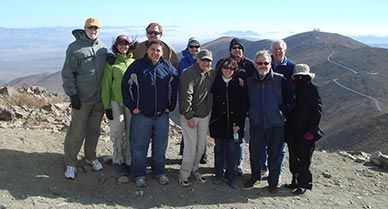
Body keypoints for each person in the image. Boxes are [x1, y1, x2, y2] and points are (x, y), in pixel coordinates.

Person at [121, 40, 179, 187]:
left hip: (161, 115)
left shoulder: (168, 67)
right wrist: (132, 106)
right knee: (139, 147)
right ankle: (139, 174)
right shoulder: (137, 66)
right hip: (141, 114)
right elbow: (125, 85)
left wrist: (170, 106)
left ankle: (159, 172)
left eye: (158, 50)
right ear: (147, 50)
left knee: (160, 147)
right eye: (153, 49)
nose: (155, 52)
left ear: (162, 52)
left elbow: (174, 85)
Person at [61, 17, 107, 179]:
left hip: (98, 99)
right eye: (90, 28)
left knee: (94, 131)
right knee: (77, 132)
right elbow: (67, 73)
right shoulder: (74, 48)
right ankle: (70, 163)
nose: (93, 30)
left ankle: (90, 157)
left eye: (96, 28)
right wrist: (72, 94)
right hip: (82, 98)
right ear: (85, 29)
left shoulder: (102, 48)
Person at [244, 49, 294, 193]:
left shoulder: (280, 79)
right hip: (257, 124)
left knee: (275, 155)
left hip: (276, 124)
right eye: (259, 63)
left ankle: (273, 183)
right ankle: (255, 177)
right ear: (255, 65)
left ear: (270, 64)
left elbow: (290, 100)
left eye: (266, 63)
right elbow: (245, 101)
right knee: (255, 152)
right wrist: (249, 113)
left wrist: (281, 111)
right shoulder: (250, 82)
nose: (262, 65)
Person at [216, 38, 255, 175]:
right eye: (234, 48)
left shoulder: (250, 65)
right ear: (230, 50)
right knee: (225, 137)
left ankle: (237, 164)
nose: (237, 50)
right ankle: (226, 164)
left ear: (242, 50)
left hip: (241, 109)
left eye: (239, 48)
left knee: (237, 137)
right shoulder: (223, 63)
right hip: (223, 110)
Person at [209, 57, 249, 189]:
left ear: (234, 70)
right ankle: (218, 175)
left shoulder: (239, 83)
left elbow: (244, 105)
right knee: (219, 150)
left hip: (234, 125)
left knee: (232, 151)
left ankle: (230, 176)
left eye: (231, 68)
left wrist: (240, 122)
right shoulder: (215, 83)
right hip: (218, 123)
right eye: (225, 67)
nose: (228, 70)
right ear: (221, 69)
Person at [179, 49, 216, 187]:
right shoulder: (188, 73)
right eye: (203, 60)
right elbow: (185, 95)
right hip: (190, 115)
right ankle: (184, 174)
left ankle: (194, 168)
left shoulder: (211, 73)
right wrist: (189, 116)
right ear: (198, 60)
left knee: (201, 146)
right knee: (190, 146)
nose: (206, 62)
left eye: (208, 60)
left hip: (204, 115)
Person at [101, 35, 136, 178]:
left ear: (130, 45)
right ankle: (118, 160)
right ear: (116, 46)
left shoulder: (134, 62)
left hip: (130, 103)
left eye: (126, 43)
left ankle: (129, 161)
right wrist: (107, 106)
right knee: (117, 132)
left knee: (129, 132)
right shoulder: (111, 63)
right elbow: (106, 85)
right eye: (120, 44)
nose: (123, 46)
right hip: (115, 102)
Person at [285, 64, 322, 195]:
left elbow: (317, 111)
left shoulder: (313, 89)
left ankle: (304, 184)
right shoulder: (292, 88)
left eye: (303, 76)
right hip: (292, 130)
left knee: (305, 159)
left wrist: (311, 130)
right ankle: (295, 180)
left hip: (307, 132)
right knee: (294, 157)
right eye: (298, 76)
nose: (301, 78)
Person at [269, 39, 297, 181]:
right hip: (267, 111)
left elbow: (295, 91)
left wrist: (286, 109)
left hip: (283, 112)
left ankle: (278, 173)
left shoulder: (292, 67)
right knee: (267, 143)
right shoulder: (266, 64)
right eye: (275, 49)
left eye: (280, 49)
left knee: (280, 146)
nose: (277, 51)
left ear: (285, 50)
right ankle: (268, 170)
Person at [177, 37, 207, 164]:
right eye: (191, 47)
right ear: (188, 48)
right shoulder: (184, 62)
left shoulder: (205, 60)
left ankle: (202, 154)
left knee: (201, 129)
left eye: (196, 47)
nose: (194, 49)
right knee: (188, 128)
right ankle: (185, 153)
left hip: (201, 99)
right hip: (188, 98)